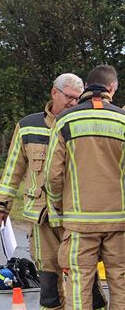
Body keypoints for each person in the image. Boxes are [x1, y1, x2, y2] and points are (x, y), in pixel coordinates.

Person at [0, 73, 106, 310]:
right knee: (49, 281)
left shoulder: (80, 124)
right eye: (69, 97)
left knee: (86, 277)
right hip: (41, 216)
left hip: (75, 216)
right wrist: (2, 203)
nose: (74, 103)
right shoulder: (27, 126)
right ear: (54, 93)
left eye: (78, 98)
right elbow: (13, 169)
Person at [45, 64, 125, 309]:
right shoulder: (123, 121)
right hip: (119, 221)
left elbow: (52, 176)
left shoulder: (65, 120)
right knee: (121, 282)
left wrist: (61, 207)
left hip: (79, 222)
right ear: (111, 88)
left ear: (87, 87)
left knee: (78, 283)